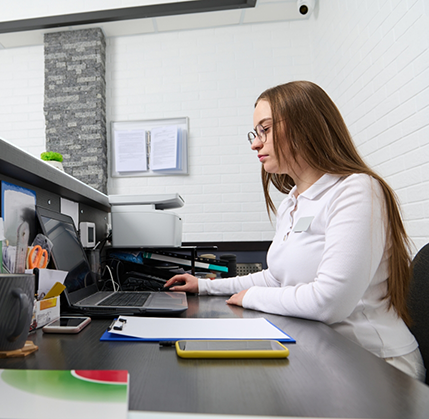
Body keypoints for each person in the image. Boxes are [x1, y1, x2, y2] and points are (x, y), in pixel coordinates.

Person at [164, 80, 426, 381]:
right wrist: (204, 286)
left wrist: (250, 297)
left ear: (306, 126)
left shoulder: (356, 190)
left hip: (376, 363)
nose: (255, 143)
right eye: (255, 133)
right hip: (324, 352)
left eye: (266, 129)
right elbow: (277, 276)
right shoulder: (292, 202)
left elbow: (330, 302)